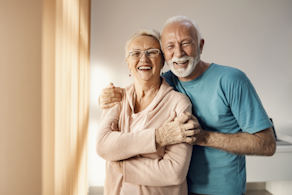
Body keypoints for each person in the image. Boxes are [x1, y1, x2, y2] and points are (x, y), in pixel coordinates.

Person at [99, 16, 276, 195]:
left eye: (186, 43)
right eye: (170, 46)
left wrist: (203, 137)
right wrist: (108, 97)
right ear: (164, 56)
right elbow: (143, 81)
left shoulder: (232, 80)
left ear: (200, 45)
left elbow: (267, 144)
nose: (178, 53)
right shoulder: (167, 81)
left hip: (221, 190)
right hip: (179, 189)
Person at [96, 29, 195, 195]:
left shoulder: (179, 103)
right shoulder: (116, 98)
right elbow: (102, 146)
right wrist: (159, 137)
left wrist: (122, 165)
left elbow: (174, 172)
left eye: (152, 52)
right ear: (128, 63)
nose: (144, 58)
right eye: (135, 53)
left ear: (162, 60)